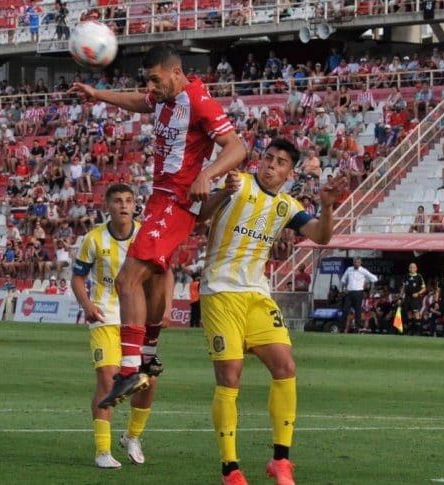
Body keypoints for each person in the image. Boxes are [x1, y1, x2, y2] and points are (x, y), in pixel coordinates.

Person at [69, 44, 246, 408]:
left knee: (126, 280)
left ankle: (131, 367)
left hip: (175, 201)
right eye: (147, 80)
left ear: (176, 72)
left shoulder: (198, 101)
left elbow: (237, 147)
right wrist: (96, 93)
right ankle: (146, 357)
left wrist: (208, 175)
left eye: (155, 79)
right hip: (160, 198)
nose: (151, 86)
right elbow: (139, 101)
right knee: (146, 285)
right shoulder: (163, 97)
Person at [196, 138, 347, 485]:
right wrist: (221, 194)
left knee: (285, 366)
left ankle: (281, 461)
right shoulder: (237, 183)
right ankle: (230, 469)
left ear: (289, 173)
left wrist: (326, 206)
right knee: (230, 377)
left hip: (257, 295)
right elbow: (200, 215)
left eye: (279, 162)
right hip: (220, 292)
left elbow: (322, 237)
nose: (270, 165)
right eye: (268, 158)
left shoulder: (288, 206)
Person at [71, 183, 172, 468]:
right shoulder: (93, 239)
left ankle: (132, 436)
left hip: (138, 319)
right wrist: (88, 306)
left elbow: (166, 272)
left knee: (148, 380)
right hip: (105, 317)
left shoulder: (146, 235)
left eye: (129, 200)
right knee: (108, 378)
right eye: (117, 201)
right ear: (108, 205)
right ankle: (102, 451)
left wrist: (167, 306)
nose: (124, 206)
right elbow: (77, 277)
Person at [340, 258, 378, 333]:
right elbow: (343, 279)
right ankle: (342, 327)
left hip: (359, 292)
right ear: (353, 263)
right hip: (350, 292)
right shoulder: (349, 269)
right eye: (355, 262)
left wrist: (366, 283)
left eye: (358, 262)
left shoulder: (363, 270)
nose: (356, 264)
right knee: (345, 310)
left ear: (360, 263)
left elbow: (374, 278)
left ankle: (357, 328)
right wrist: (344, 288)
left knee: (358, 311)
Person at [401, 263, 426, 334]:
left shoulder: (419, 277)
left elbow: (424, 288)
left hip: (415, 298)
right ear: (409, 268)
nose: (412, 269)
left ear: (416, 268)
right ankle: (411, 330)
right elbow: (403, 288)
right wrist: (400, 297)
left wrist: (418, 293)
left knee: (416, 313)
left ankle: (418, 331)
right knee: (409, 314)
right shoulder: (406, 276)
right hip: (407, 297)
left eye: (413, 267)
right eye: (411, 267)